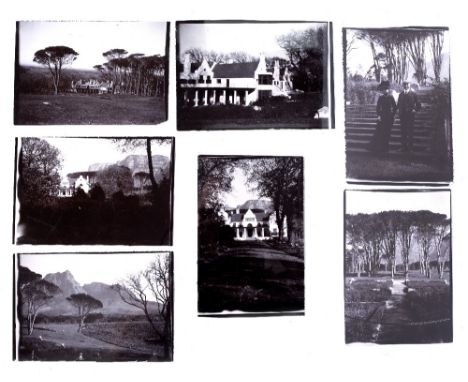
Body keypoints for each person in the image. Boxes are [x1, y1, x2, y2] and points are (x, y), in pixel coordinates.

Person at [373, 81, 397, 153]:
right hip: (382, 117)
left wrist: (393, 115)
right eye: (383, 89)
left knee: (388, 133)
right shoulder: (381, 98)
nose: (385, 91)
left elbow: (395, 107)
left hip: (389, 117)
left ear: (388, 90)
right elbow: (378, 108)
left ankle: (386, 147)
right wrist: (379, 115)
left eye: (386, 89)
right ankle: (381, 148)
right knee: (382, 133)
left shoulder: (391, 97)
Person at [397, 81, 421, 152]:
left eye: (407, 84)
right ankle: (403, 147)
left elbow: (418, 104)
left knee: (410, 132)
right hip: (402, 116)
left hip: (410, 115)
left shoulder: (413, 94)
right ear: (403, 85)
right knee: (403, 131)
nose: (406, 85)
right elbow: (398, 104)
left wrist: (415, 110)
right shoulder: (401, 94)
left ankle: (410, 148)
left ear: (409, 85)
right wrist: (397, 110)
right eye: (404, 84)